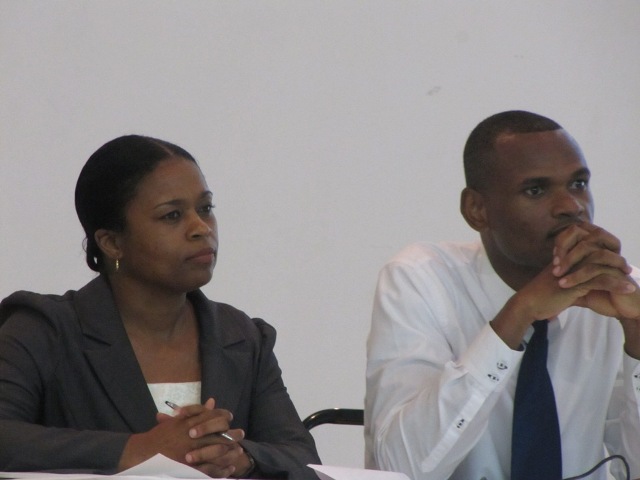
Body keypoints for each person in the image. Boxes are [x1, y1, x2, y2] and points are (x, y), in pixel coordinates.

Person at [0, 135, 321, 478]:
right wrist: (139, 449)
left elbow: (303, 459)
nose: (201, 228)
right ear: (111, 242)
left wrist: (240, 457)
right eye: (172, 215)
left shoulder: (241, 336)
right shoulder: (44, 329)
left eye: (205, 209)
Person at [365, 110, 640, 480]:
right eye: (536, 190)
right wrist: (518, 314)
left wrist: (638, 336)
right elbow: (399, 469)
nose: (571, 207)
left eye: (578, 184)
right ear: (477, 210)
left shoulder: (620, 293)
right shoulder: (421, 281)